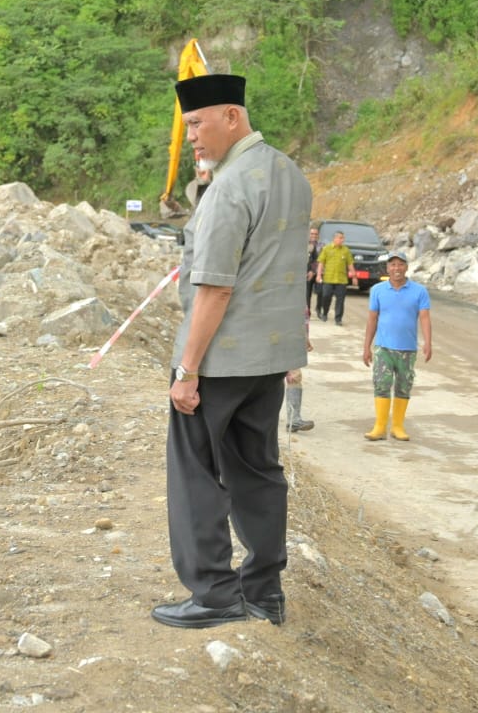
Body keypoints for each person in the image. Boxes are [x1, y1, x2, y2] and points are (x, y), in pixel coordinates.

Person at [153, 73, 312, 631]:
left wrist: (187, 369)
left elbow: (215, 288)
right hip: (269, 357)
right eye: (188, 126)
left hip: (220, 359)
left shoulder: (230, 187)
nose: (191, 136)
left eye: (197, 124)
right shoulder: (288, 173)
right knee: (258, 470)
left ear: (230, 116)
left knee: (196, 473)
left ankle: (214, 592)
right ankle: (264, 592)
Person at [361, 250, 432, 441]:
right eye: (392, 265)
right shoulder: (377, 290)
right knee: (381, 385)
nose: (396, 268)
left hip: (407, 349)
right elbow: (372, 319)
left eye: (400, 264)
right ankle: (380, 427)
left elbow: (424, 317)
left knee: (403, 387)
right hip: (383, 348)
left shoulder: (419, 291)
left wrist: (428, 342)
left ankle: (398, 427)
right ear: (387, 268)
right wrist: (366, 346)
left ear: (406, 267)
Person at [284, 305, 315, 433]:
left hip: (292, 338)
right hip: (282, 338)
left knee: (294, 376)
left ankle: (294, 419)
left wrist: (305, 337)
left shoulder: (297, 290)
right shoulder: (286, 291)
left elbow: (302, 319)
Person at [315, 230, 357, 325]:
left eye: (343, 238)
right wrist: (318, 275)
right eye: (340, 238)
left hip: (341, 280)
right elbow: (321, 263)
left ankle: (338, 319)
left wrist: (354, 277)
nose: (342, 240)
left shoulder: (346, 250)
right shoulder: (327, 249)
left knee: (340, 300)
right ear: (335, 238)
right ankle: (325, 313)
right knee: (326, 296)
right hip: (328, 278)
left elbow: (350, 264)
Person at [305, 227, 321, 314]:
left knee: (321, 292)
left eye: (315, 234)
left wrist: (314, 271)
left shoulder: (322, 246)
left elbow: (317, 260)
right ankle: (307, 312)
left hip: (320, 273)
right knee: (307, 293)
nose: (313, 236)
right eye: (312, 233)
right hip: (308, 273)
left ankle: (318, 309)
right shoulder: (304, 244)